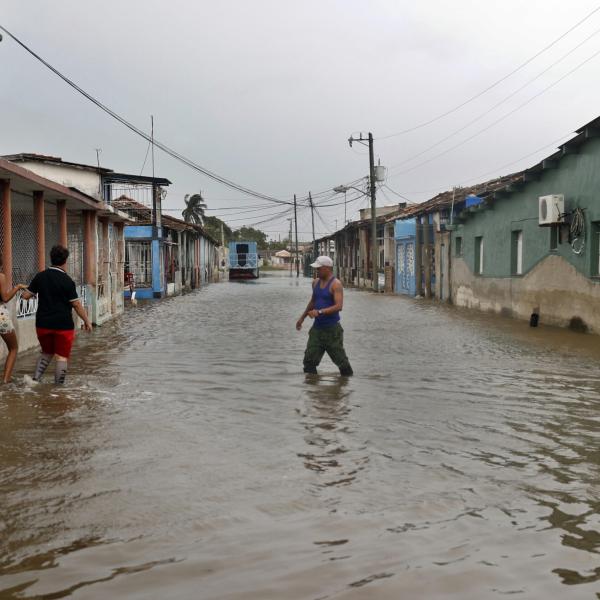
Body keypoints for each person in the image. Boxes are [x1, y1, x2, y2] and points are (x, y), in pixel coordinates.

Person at [21, 245, 92, 384]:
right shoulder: (67, 281)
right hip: (63, 325)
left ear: (51, 259)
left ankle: (35, 380)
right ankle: (58, 389)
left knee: (47, 352)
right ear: (65, 260)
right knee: (61, 356)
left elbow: (25, 296)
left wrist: (26, 290)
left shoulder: (40, 277)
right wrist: (87, 321)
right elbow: (76, 305)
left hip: (42, 324)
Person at [296, 255, 353, 376]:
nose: (316, 271)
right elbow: (312, 302)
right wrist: (302, 318)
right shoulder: (315, 282)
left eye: (319, 268)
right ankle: (313, 391)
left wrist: (319, 312)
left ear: (327, 268)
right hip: (317, 330)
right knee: (308, 362)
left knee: (342, 363)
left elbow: (339, 306)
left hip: (332, 331)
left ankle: (345, 387)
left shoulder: (336, 284)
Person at [0, 261, 27, 383]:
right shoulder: (1, 276)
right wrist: (17, 287)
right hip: (0, 316)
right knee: (13, 348)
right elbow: (5, 298)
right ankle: (5, 380)